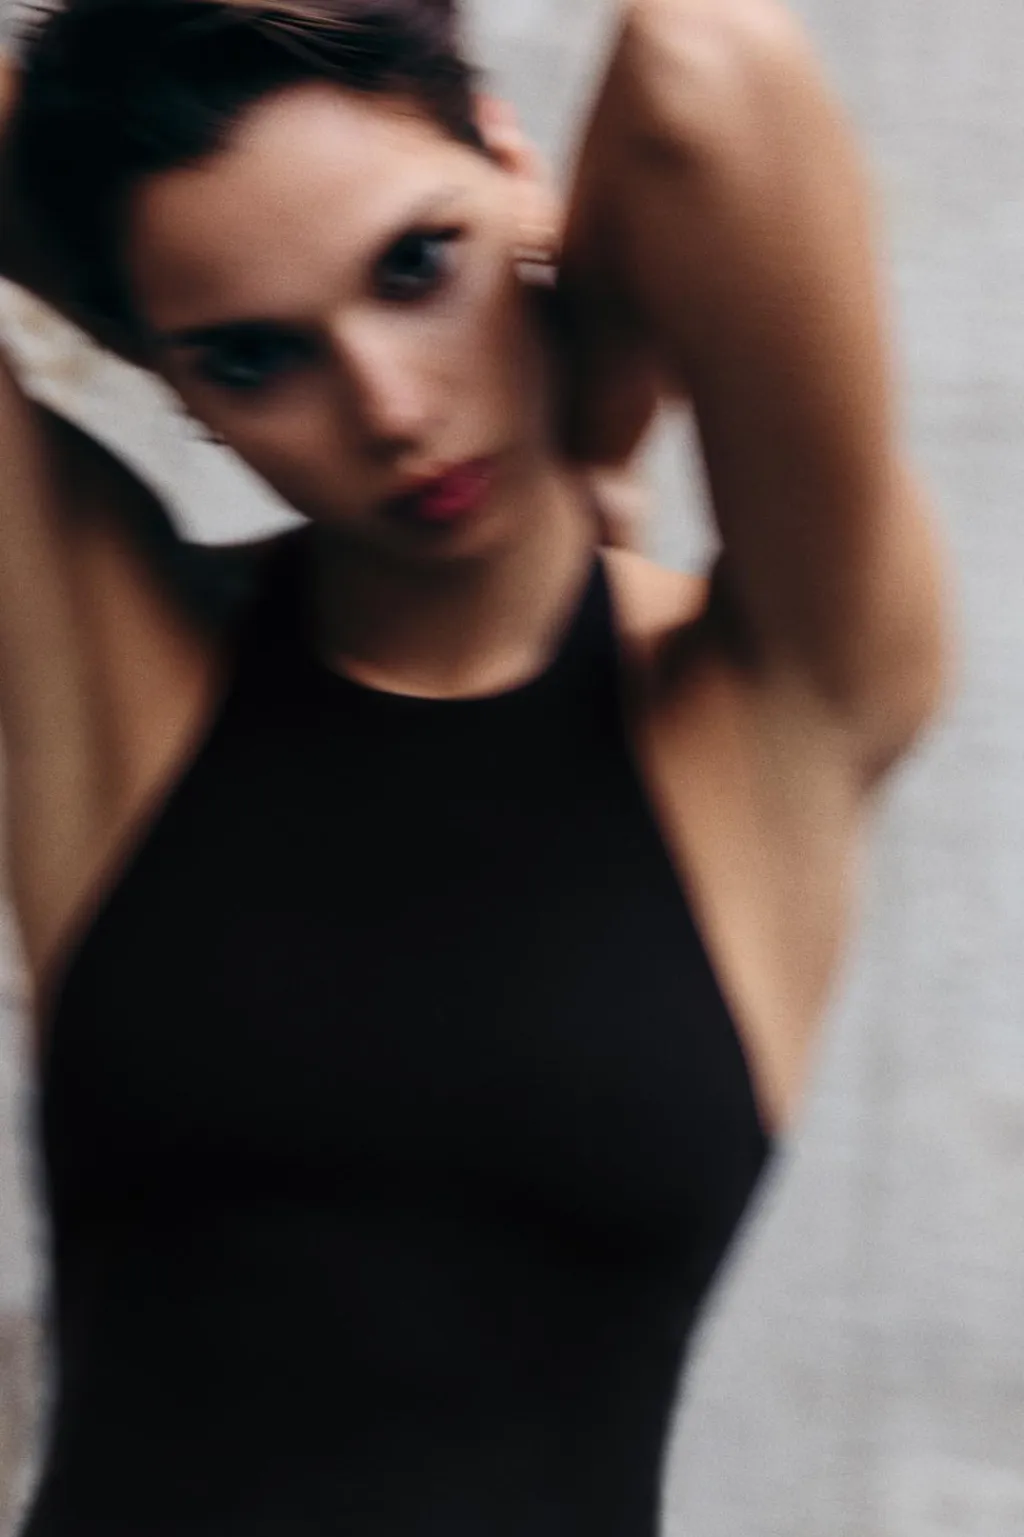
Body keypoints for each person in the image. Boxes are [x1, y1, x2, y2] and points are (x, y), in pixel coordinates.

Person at [0, 0, 945, 1533]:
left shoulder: (772, 696)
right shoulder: (123, 675)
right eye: (255, 356)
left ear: (512, 163)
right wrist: (144, 290)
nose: (390, 407)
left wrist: (607, 380)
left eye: (415, 267)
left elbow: (708, 70)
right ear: (173, 385)